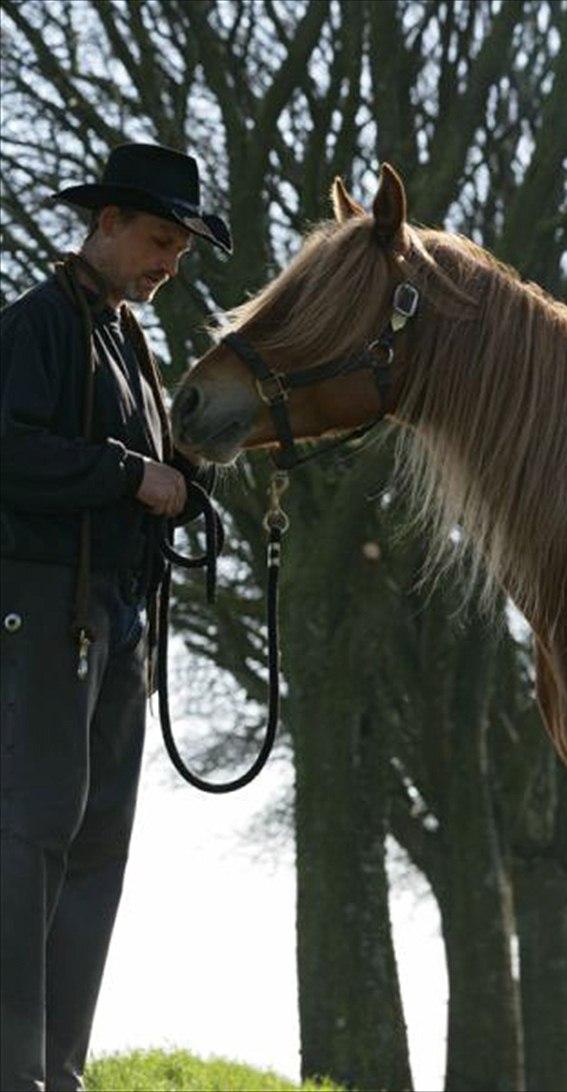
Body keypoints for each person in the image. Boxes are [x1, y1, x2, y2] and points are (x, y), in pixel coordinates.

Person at [0, 143, 232, 1092]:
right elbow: (8, 447)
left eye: (178, 248)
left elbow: (162, 473)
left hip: (114, 617)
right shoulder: (39, 323)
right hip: (42, 606)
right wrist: (129, 475)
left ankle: (58, 1070)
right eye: (159, 239)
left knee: (97, 841)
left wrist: (192, 480)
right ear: (104, 224)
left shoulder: (128, 342)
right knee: (32, 834)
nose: (168, 263)